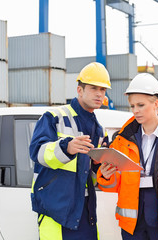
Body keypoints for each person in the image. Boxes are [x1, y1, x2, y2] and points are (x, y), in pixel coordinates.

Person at [29, 62, 111, 240]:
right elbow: (37, 152)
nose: (99, 94)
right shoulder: (54, 117)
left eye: (103, 90)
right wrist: (66, 148)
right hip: (55, 210)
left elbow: (90, 174)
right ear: (79, 90)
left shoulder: (100, 130)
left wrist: (101, 171)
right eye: (93, 88)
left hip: (85, 211)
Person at [97, 73, 158, 240]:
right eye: (132, 106)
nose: (135, 111)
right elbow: (112, 186)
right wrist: (106, 176)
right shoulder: (121, 140)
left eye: (141, 105)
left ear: (157, 103)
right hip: (132, 225)